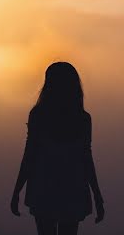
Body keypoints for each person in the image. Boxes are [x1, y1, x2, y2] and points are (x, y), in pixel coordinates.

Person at [10, 62, 105, 235]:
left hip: (44, 186)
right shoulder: (82, 119)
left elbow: (29, 155)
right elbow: (86, 158)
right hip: (72, 187)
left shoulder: (38, 115)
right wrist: (97, 195)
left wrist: (17, 190)